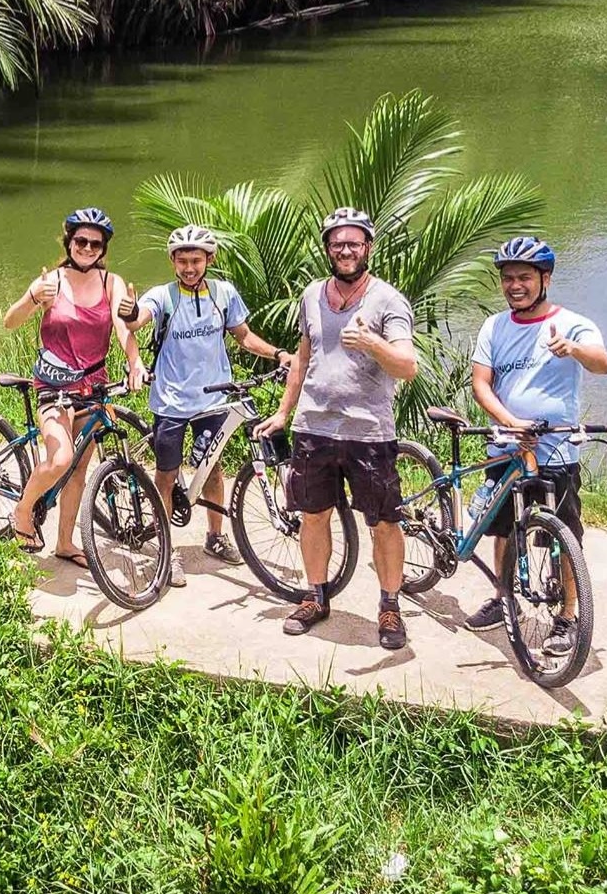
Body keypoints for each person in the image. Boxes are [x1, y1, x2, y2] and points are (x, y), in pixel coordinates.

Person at [256, 207, 419, 650]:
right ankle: (315, 596)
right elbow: (303, 358)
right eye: (337, 243)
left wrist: (372, 343)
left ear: (368, 247)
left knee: (384, 522)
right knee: (313, 515)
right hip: (314, 426)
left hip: (369, 432)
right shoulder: (311, 295)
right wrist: (284, 413)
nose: (345, 250)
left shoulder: (388, 301)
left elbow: (408, 366)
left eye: (354, 243)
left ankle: (388, 605)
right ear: (327, 249)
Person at [463, 237, 607, 657]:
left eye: (525, 277)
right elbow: (481, 384)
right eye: (508, 278)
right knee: (502, 528)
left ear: (545, 279)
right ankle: (502, 594)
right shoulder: (494, 326)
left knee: (564, 537)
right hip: (508, 448)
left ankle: (566, 617)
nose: (515, 285)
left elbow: (604, 363)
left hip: (556, 452)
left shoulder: (572, 323)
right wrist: (511, 424)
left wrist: (574, 349)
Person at [127, 224, 293, 587]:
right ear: (172, 261)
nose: (189, 267)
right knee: (167, 475)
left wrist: (279, 354)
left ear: (209, 260)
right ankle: (166, 551)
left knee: (213, 469)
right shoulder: (163, 296)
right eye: (183, 261)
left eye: (196, 260)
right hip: (171, 400)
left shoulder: (223, 293)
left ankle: (215, 537)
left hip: (214, 396)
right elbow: (139, 318)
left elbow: (244, 336)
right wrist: (129, 313)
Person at [0, 207, 145, 570]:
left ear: (103, 248)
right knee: (60, 459)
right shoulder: (53, 282)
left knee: (77, 472)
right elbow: (9, 322)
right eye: (81, 240)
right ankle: (22, 511)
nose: (87, 248)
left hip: (92, 387)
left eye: (95, 243)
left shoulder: (111, 282)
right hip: (54, 387)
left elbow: (123, 328)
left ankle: (65, 542)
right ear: (69, 241)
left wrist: (134, 361)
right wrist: (33, 298)